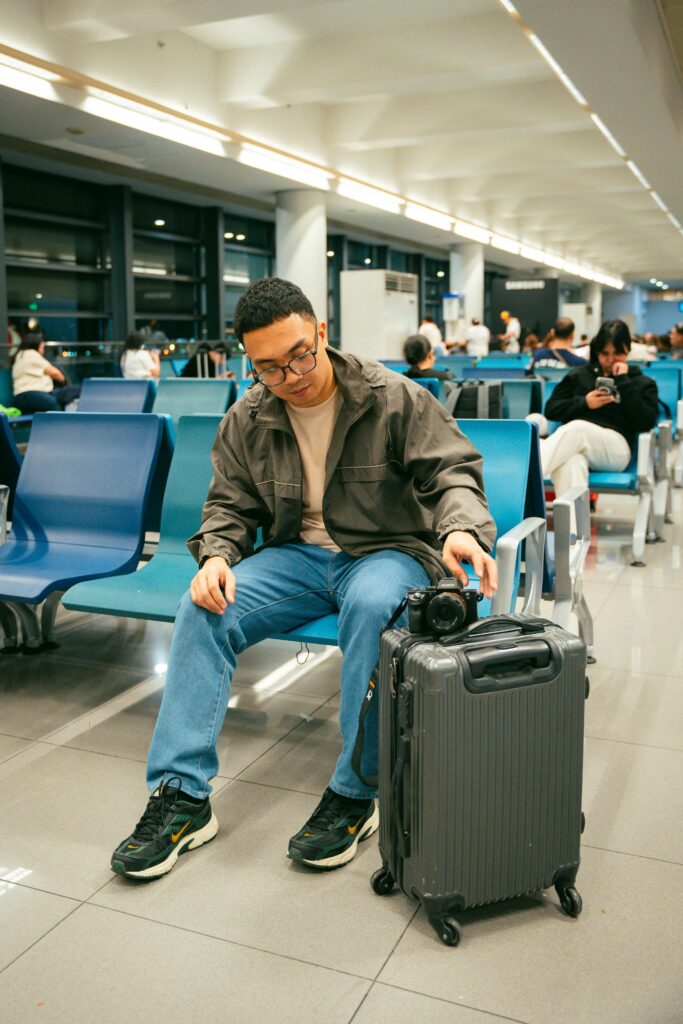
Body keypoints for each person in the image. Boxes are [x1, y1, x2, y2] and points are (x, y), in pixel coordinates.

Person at [111, 277, 497, 880]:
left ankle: (355, 790)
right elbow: (229, 506)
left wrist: (460, 529)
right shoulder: (249, 416)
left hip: (384, 550)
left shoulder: (392, 398)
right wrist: (216, 555)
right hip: (297, 555)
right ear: (250, 362)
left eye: (301, 355)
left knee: (373, 606)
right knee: (204, 608)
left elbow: (452, 473)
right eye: (270, 367)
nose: (291, 376)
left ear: (321, 332)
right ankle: (182, 797)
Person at [533, 320, 658, 497]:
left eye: (618, 353)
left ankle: (522, 479)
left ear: (627, 351)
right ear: (597, 352)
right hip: (576, 445)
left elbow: (645, 422)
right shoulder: (579, 375)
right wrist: (585, 402)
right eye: (605, 353)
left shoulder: (642, 383)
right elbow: (552, 409)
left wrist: (623, 381)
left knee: (577, 428)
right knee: (570, 465)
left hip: (616, 449)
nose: (610, 360)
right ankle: (572, 525)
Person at [11, 336, 81, 413]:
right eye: (42, 348)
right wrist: (64, 381)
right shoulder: (30, 353)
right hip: (31, 395)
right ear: (35, 346)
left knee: (67, 394)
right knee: (58, 402)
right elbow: (56, 374)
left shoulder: (20, 356)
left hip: (23, 397)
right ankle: (62, 423)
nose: (43, 351)